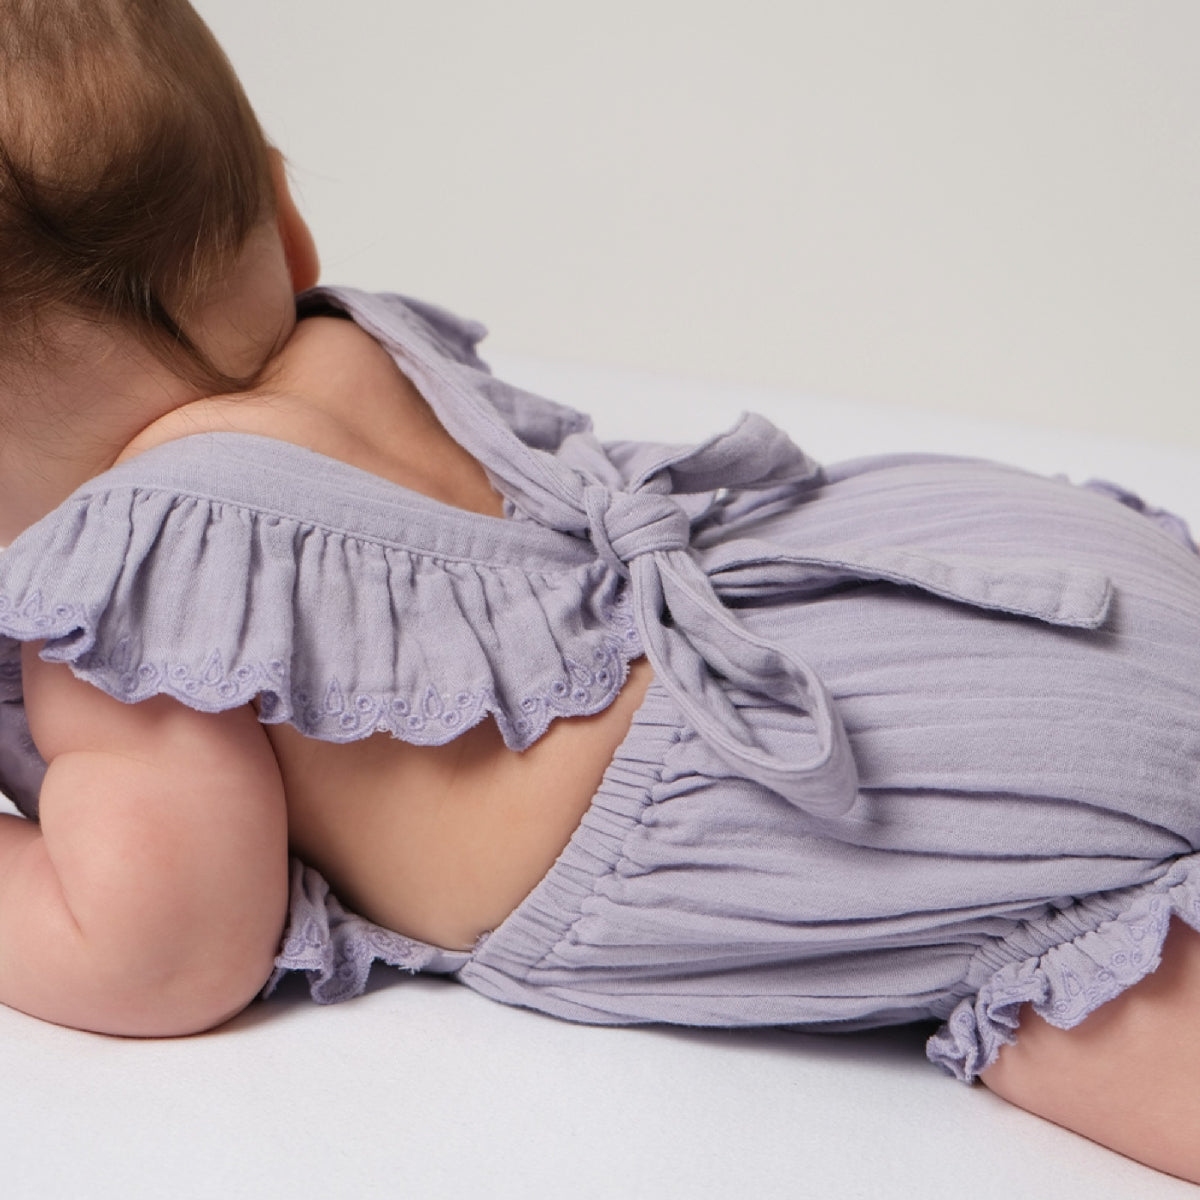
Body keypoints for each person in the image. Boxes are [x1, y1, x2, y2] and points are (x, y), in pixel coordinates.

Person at [1, 0, 1198, 1182]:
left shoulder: (112, 592)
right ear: (286, 219)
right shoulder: (359, 345)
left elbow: (159, 953)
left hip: (809, 789)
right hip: (965, 569)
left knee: (1091, 1007)